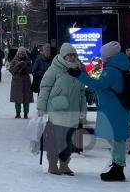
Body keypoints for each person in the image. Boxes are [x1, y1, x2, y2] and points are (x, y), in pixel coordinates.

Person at [67, 41, 130, 182]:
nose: (102, 58)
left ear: (109, 56)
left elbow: (98, 84)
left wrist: (79, 75)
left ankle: (118, 168)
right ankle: (117, 165)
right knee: (115, 137)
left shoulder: (112, 71)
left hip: (114, 110)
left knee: (117, 138)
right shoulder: (118, 67)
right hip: (116, 109)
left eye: (103, 55)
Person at [36, 43, 87, 176]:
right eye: (69, 55)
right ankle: (52, 164)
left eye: (73, 55)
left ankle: (64, 164)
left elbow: (82, 93)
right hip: (55, 112)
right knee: (54, 139)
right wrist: (41, 107)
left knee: (67, 140)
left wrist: (83, 110)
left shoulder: (78, 71)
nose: (71, 58)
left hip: (72, 112)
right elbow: (45, 88)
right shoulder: (54, 69)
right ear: (63, 56)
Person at [8, 47, 33, 119]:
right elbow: (11, 70)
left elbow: (30, 70)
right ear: (17, 54)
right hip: (16, 81)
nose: (21, 55)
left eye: (22, 54)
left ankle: (26, 113)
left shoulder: (28, 61)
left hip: (26, 82)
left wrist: (24, 65)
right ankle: (18, 113)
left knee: (26, 99)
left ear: (25, 54)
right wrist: (18, 65)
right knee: (17, 99)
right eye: (20, 54)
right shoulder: (14, 61)